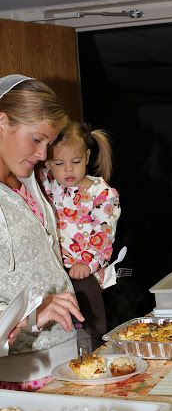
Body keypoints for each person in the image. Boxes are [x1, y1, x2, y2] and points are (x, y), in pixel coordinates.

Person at [0, 74, 85, 390]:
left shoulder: (29, 182)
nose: (42, 154)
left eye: (48, 143)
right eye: (36, 139)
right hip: (18, 373)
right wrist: (33, 313)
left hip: (65, 355)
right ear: (2, 122)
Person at [38, 121, 121, 349]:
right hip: (54, 270)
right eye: (59, 163)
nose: (68, 170)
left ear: (86, 157)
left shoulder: (102, 194)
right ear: (48, 163)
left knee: (90, 323)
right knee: (60, 326)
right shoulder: (48, 185)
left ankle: (95, 351)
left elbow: (104, 237)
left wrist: (87, 262)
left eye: (75, 162)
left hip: (84, 271)